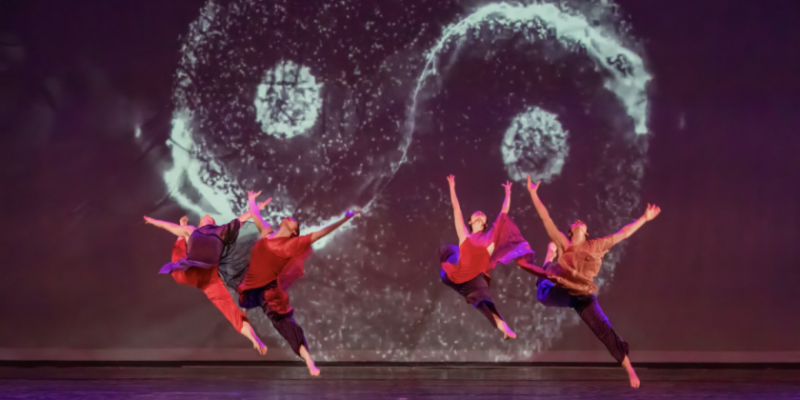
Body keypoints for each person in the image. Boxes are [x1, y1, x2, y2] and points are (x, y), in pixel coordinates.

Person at [518, 175, 661, 388]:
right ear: (569, 232)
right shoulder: (563, 243)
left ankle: (629, 368)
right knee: (543, 290)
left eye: (581, 223)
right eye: (574, 223)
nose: (578, 222)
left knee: (604, 329)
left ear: (586, 232)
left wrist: (644, 218)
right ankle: (549, 258)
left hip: (583, 296)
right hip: (562, 289)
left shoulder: (596, 246)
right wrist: (533, 194)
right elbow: (545, 218)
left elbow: (624, 233)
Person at [236, 190, 360, 376]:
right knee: (241, 303)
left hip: (269, 293)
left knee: (288, 327)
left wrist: (345, 219)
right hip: (251, 285)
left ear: (294, 231)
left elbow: (319, 234)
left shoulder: (290, 245)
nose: (290, 217)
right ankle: (249, 328)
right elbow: (255, 215)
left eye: (294, 221)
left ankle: (309, 361)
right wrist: (251, 200)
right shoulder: (267, 231)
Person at [143, 194, 271, 355]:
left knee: (231, 311)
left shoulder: (213, 230)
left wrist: (256, 207)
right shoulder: (204, 231)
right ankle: (255, 339)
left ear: (210, 223)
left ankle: (255, 340)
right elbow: (167, 226)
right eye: (205, 217)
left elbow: (243, 218)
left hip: (205, 276)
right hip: (197, 272)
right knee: (182, 240)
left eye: (207, 218)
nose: (206, 217)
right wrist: (154, 221)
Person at [438, 175, 535, 340]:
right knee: (446, 250)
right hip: (456, 271)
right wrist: (452, 186)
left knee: (485, 305)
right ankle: (448, 260)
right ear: (470, 221)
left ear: (484, 223)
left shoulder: (491, 238)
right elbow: (456, 209)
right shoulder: (465, 236)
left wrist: (508, 193)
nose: (479, 213)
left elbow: (504, 212)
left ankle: (503, 327)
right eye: (476, 214)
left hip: (474, 278)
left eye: (482, 215)